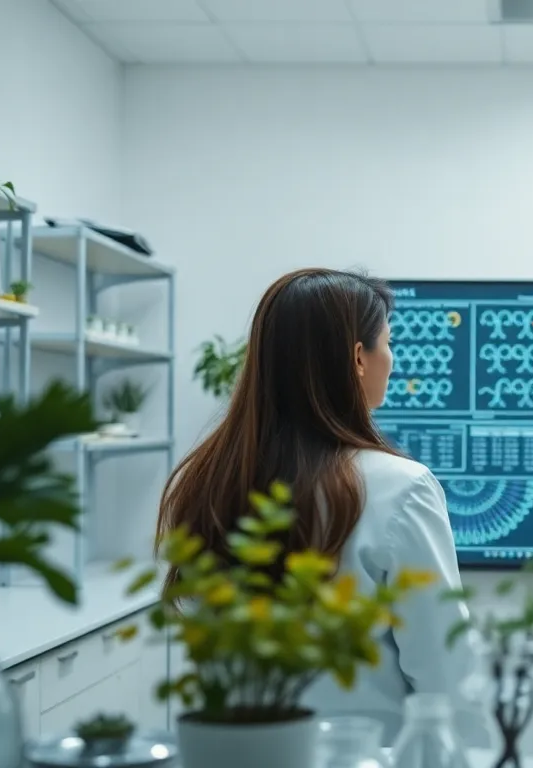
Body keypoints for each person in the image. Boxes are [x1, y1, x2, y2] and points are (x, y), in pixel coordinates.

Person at [157, 267, 473, 740]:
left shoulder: (209, 481)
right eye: (388, 343)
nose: (393, 359)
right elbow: (446, 679)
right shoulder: (400, 488)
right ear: (358, 359)